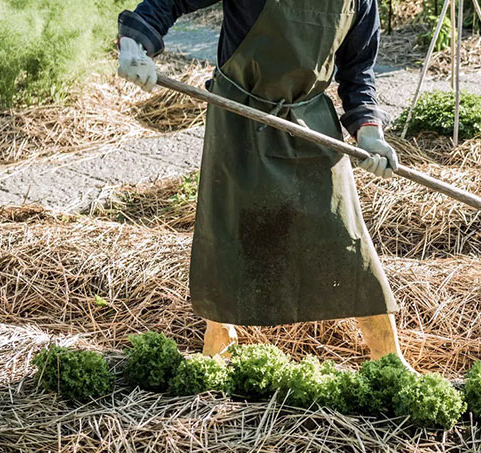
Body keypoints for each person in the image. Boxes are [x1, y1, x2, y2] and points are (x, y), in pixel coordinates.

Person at [117, 0, 411, 368]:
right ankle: (217, 346)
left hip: (309, 122)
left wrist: (369, 133)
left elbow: (358, 73)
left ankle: (389, 361)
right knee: (233, 237)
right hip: (239, 120)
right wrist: (135, 43)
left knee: (346, 238)